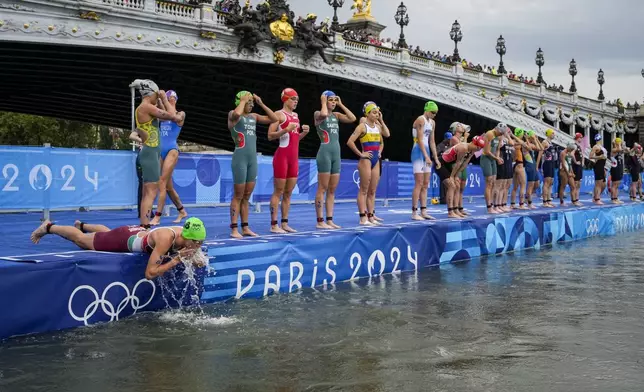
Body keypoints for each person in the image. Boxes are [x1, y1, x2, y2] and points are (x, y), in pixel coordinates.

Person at [30, 217, 207, 280]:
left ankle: (83, 224)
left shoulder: (186, 237)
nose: (198, 246)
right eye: (197, 243)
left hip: (135, 232)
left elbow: (199, 262)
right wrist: (176, 260)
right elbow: (150, 273)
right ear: (188, 237)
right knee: (82, 240)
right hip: (125, 239)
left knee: (106, 233)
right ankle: (49, 227)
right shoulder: (166, 238)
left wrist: (196, 260)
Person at [129, 80, 184, 228]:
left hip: (149, 152)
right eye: (156, 94)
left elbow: (173, 117)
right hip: (151, 153)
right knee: (151, 193)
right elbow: (173, 116)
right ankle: (145, 226)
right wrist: (164, 99)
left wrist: (161, 101)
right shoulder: (146, 107)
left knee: (148, 192)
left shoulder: (145, 108)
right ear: (151, 93)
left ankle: (144, 225)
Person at [228, 91, 279, 238]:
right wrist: (243, 101)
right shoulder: (233, 114)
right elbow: (236, 115)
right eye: (248, 102)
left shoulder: (253, 117)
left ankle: (245, 227)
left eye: (252, 102)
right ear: (240, 101)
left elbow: (274, 118)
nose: (251, 105)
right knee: (238, 195)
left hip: (252, 160)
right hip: (240, 158)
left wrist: (261, 103)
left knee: (246, 196)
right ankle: (234, 228)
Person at [268, 88, 310, 233]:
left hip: (293, 158)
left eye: (297, 100)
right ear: (286, 99)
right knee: (278, 191)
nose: (296, 102)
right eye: (293, 99)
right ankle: (274, 225)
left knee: (288, 193)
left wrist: (303, 132)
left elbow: (295, 139)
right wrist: (285, 130)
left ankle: (284, 223)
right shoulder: (278, 114)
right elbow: (270, 135)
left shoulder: (296, 116)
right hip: (282, 157)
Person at [314, 91, 356, 229]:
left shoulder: (336, 115)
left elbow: (352, 118)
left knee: (332, 189)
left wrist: (341, 104)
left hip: (336, 155)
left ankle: (330, 219)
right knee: (322, 188)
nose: (333, 102)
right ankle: (320, 221)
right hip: (324, 153)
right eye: (330, 100)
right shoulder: (318, 114)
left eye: (334, 100)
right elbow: (324, 114)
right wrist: (323, 102)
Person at [347, 101, 390, 225]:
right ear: (367, 114)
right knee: (364, 190)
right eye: (374, 112)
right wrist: (361, 154)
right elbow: (350, 141)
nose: (377, 114)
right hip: (366, 160)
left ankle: (371, 216)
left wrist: (381, 120)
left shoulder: (378, 127)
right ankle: (363, 218)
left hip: (376, 160)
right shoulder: (362, 126)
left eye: (378, 112)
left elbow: (386, 135)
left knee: (372, 191)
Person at [150, 90, 188, 226]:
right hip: (161, 151)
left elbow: (175, 117)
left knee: (161, 182)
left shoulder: (180, 114)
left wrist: (164, 101)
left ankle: (157, 216)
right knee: (168, 187)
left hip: (172, 150)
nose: (170, 99)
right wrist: (159, 101)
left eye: (172, 98)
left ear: (176, 100)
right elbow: (156, 113)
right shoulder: (163, 116)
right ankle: (182, 210)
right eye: (168, 97)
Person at [436, 136, 486, 218]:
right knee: (451, 185)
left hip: (449, 165)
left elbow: (464, 164)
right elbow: (458, 163)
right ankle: (450, 212)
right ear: (474, 144)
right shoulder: (463, 148)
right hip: (441, 163)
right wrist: (452, 176)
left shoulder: (472, 151)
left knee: (457, 185)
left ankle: (456, 210)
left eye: (479, 148)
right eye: (478, 148)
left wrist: (456, 176)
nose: (478, 150)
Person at [410, 101, 441, 221]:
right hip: (418, 151)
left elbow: (432, 141)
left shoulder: (432, 122)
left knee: (426, 183)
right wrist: (426, 157)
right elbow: (419, 140)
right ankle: (414, 212)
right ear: (426, 110)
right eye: (433, 112)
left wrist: (435, 157)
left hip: (426, 151)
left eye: (436, 113)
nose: (434, 115)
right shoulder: (420, 120)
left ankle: (424, 210)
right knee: (419, 182)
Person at [480, 123, 509, 214]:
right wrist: (496, 158)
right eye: (500, 133)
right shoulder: (490, 134)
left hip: (493, 160)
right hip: (486, 159)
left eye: (502, 134)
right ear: (497, 129)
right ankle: (489, 207)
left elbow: (497, 149)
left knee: (493, 183)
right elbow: (486, 151)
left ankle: (493, 205)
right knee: (489, 182)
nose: (501, 135)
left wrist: (498, 157)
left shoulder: (499, 136)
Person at [448, 122, 471, 215]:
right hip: (455, 165)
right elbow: (463, 148)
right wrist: (465, 137)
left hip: (462, 164)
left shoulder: (461, 139)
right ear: (455, 128)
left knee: (461, 188)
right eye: (460, 126)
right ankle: (453, 209)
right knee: (456, 187)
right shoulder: (453, 139)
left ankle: (460, 208)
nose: (462, 127)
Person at [509, 128, 530, 209]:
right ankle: (521, 204)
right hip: (519, 165)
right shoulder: (519, 142)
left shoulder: (512, 141)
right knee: (523, 184)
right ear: (520, 134)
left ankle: (512, 204)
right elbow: (527, 147)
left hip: (513, 164)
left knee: (515, 186)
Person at [523, 130, 542, 209]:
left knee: (537, 184)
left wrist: (536, 140)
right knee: (530, 185)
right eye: (533, 136)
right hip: (529, 166)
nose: (534, 137)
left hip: (533, 166)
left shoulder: (531, 143)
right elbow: (530, 149)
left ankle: (527, 197)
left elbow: (540, 148)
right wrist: (528, 139)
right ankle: (529, 203)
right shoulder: (525, 144)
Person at [539, 129, 557, 208]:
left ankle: (549, 200)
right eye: (552, 133)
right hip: (546, 164)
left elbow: (554, 157)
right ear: (549, 134)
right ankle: (544, 201)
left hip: (552, 164)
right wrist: (538, 166)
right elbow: (540, 153)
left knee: (551, 182)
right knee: (546, 183)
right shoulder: (544, 142)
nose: (554, 135)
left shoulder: (551, 143)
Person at [589, 133, 607, 204]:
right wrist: (599, 157)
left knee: (603, 184)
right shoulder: (595, 147)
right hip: (598, 166)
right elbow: (590, 156)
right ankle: (597, 199)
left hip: (602, 166)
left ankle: (596, 196)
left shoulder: (601, 147)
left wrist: (604, 168)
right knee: (598, 184)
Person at [609, 137, 625, 204]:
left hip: (619, 168)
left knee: (617, 184)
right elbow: (619, 149)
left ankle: (616, 198)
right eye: (619, 142)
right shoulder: (614, 149)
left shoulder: (619, 150)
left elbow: (624, 150)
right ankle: (613, 199)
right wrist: (617, 143)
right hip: (615, 168)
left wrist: (622, 145)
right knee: (614, 184)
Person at [571, 133, 584, 206]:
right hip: (576, 167)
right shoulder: (575, 146)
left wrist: (582, 162)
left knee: (578, 184)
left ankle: (577, 199)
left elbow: (582, 155)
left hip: (579, 167)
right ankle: (574, 200)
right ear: (577, 138)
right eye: (581, 137)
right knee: (575, 184)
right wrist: (576, 161)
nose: (582, 139)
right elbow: (572, 154)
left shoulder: (579, 146)